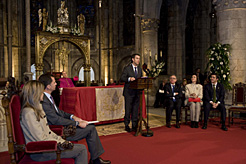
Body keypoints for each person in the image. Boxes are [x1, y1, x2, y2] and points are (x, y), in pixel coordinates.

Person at [39, 74, 110, 164]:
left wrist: (72, 116)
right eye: (54, 82)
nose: (56, 84)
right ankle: (95, 160)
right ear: (48, 86)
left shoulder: (48, 97)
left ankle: (95, 159)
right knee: (90, 129)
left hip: (60, 127)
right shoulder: (44, 100)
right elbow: (55, 120)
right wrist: (76, 123)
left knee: (90, 127)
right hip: (57, 131)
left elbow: (59, 112)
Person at [20, 80, 88, 163]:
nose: (43, 94)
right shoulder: (28, 112)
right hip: (41, 151)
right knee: (81, 149)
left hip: (49, 147)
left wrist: (62, 141)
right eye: (41, 92)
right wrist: (60, 144)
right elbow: (40, 138)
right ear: (35, 94)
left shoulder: (37, 108)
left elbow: (48, 132)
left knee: (79, 147)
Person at [120, 54, 142, 132]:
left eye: (139, 58)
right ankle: (127, 125)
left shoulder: (140, 69)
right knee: (128, 109)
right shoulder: (127, 68)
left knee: (135, 110)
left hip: (137, 92)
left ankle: (134, 125)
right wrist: (129, 78)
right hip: (129, 92)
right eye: (137, 58)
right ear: (133, 59)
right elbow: (122, 78)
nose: (138, 60)